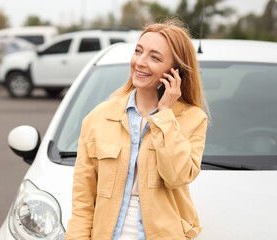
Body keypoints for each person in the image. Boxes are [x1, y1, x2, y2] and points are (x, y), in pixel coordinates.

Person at [66, 18, 209, 240]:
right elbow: (83, 198)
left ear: (175, 71)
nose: (140, 62)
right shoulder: (99, 117)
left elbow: (177, 176)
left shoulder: (192, 119)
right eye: (138, 51)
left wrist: (165, 114)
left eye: (154, 57)